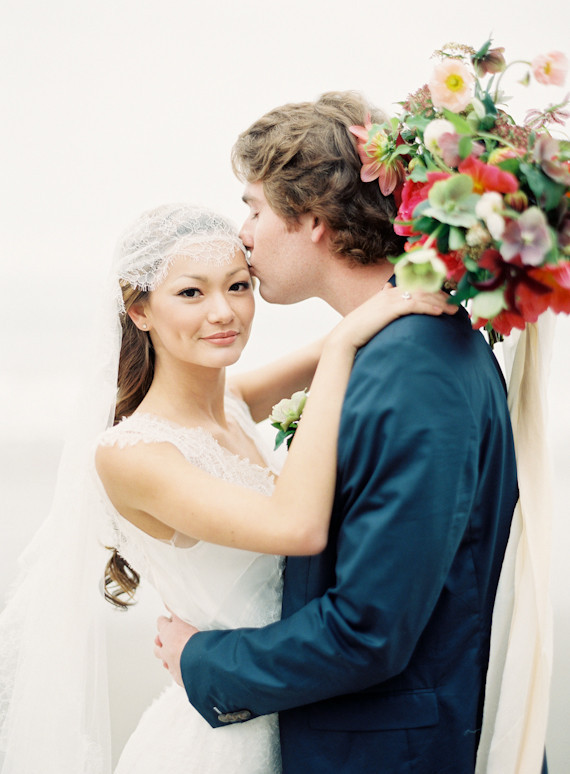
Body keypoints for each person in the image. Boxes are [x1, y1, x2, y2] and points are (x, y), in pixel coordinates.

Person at [0, 202, 451, 774]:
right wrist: (341, 348)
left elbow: (364, 320)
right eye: (191, 293)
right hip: (222, 743)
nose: (223, 312)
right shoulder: (131, 455)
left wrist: (437, 261)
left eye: (238, 286)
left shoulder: (233, 404)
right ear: (139, 311)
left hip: (295, 708)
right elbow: (299, 527)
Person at [155, 92, 519, 774]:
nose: (244, 234)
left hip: (390, 753)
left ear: (313, 219)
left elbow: (369, 630)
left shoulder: (413, 371)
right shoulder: (389, 346)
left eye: (255, 209)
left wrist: (203, 659)